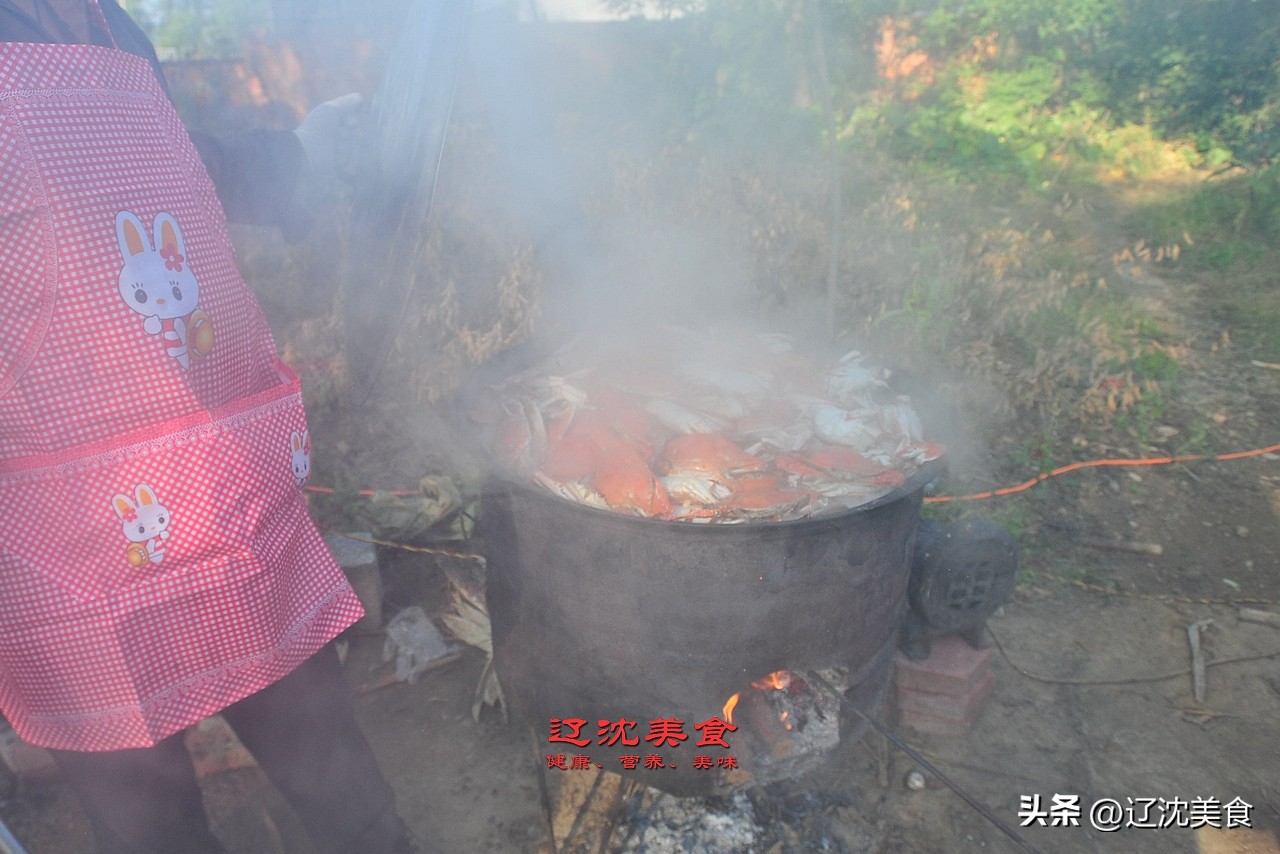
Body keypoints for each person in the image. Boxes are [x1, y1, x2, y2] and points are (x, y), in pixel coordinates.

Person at [0, 2, 422, 851]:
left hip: (218, 481)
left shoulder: (114, 30)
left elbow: (179, 171)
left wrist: (294, 151)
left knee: (337, 771)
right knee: (151, 823)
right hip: (54, 529)